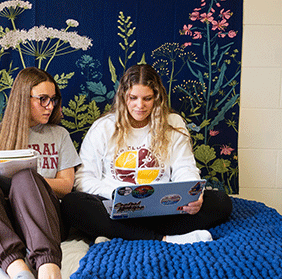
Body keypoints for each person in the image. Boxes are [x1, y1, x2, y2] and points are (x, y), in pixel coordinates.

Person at [61, 64, 232, 244]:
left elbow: (185, 167)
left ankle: (130, 234)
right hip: (117, 210)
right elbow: (83, 178)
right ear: (122, 97)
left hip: (163, 209)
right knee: (72, 204)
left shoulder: (173, 123)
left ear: (157, 98)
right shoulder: (103, 127)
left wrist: (192, 195)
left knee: (221, 202)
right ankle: (166, 238)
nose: (139, 106)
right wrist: (116, 194)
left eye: (147, 98)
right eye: (133, 98)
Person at [0, 67, 81, 279]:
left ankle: (48, 269)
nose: (50, 106)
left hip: (44, 219)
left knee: (26, 178)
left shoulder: (59, 134)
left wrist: (29, 179)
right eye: (42, 99)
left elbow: (66, 185)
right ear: (23, 98)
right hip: (3, 222)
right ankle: (19, 271)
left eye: (53, 99)